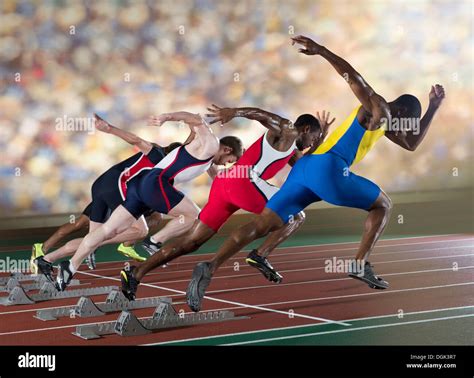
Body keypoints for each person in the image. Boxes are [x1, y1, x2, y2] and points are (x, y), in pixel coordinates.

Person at [186, 35, 445, 312]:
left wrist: (433, 107)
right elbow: (354, 78)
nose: (406, 128)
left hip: (305, 170)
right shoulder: (378, 108)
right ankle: (359, 264)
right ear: (403, 110)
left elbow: (411, 143)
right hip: (330, 169)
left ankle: (209, 267)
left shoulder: (383, 123)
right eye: (409, 121)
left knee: (261, 225)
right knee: (384, 204)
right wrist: (322, 50)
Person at [121, 103, 333, 301]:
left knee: (191, 242)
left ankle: (136, 273)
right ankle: (259, 255)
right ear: (305, 129)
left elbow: (303, 164)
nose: (312, 143)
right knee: (296, 214)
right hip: (244, 181)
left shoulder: (291, 149)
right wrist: (235, 112)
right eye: (313, 138)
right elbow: (265, 116)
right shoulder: (289, 129)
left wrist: (320, 141)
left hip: (225, 183)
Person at [51, 112, 242, 291]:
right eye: (228, 160)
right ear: (226, 149)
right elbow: (197, 119)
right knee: (194, 215)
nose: (225, 164)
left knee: (108, 230)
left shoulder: (207, 158)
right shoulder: (211, 143)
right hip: (157, 183)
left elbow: (218, 180)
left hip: (141, 185)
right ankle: (154, 241)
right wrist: (166, 117)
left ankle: (70, 266)